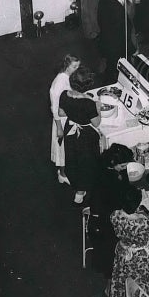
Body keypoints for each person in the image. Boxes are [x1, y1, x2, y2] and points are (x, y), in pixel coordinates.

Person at [105, 186, 149, 297]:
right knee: (143, 279)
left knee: (125, 276)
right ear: (138, 206)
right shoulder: (144, 223)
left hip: (123, 251)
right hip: (140, 257)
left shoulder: (115, 215)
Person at [58, 66, 102, 205]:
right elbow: (96, 123)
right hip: (84, 136)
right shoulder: (89, 103)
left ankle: (66, 176)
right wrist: (98, 108)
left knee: (72, 158)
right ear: (88, 85)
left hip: (70, 130)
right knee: (86, 164)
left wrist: (74, 112)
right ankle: (80, 193)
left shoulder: (64, 94)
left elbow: (61, 113)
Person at [50, 54, 80, 186]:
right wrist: (59, 127)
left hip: (68, 116)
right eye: (74, 66)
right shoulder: (57, 83)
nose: (77, 69)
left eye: (78, 65)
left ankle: (64, 171)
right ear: (66, 66)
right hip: (60, 121)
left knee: (66, 148)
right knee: (62, 150)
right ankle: (62, 174)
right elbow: (54, 108)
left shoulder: (69, 77)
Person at [98, 0, 135, 80]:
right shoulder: (119, 12)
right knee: (118, 68)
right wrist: (132, 49)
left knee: (110, 64)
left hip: (106, 42)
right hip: (118, 47)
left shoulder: (103, 0)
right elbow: (124, 33)